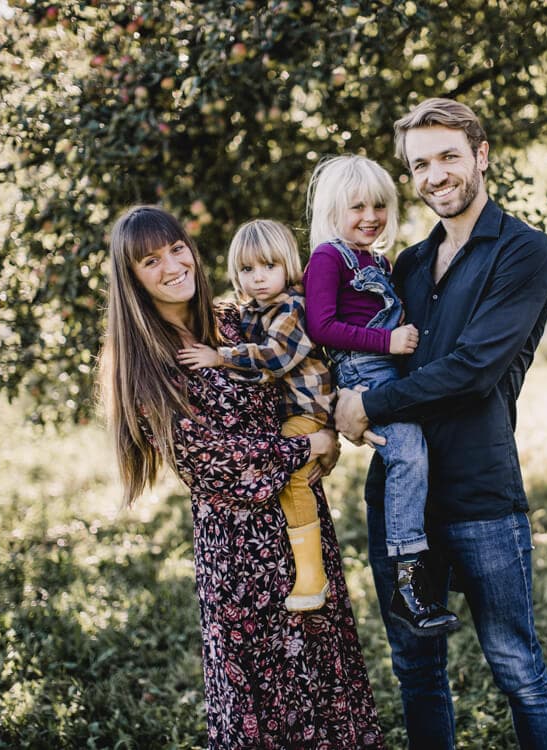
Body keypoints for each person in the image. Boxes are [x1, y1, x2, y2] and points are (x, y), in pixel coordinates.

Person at [100, 205, 384, 749]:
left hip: (301, 521)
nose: (173, 265)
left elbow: (300, 372)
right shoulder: (149, 361)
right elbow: (207, 460)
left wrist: (332, 420)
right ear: (132, 278)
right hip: (241, 552)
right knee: (266, 699)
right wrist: (308, 444)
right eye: (150, 261)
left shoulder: (236, 321)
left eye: (177, 248)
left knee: (327, 679)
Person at [334, 98, 547, 748]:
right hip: (397, 499)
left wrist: (369, 407)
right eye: (419, 164)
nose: (433, 175)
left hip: (479, 498)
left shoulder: (523, 253)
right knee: (415, 669)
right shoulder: (404, 265)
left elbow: (472, 371)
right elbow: (362, 352)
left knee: (516, 668)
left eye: (446, 157)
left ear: (480, 155)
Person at [303, 154, 461, 637]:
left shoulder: (380, 260)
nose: (370, 217)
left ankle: (426, 563)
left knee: (421, 453)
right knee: (408, 453)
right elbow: (321, 325)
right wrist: (386, 342)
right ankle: (406, 578)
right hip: (365, 371)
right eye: (357, 207)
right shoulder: (328, 258)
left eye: (378, 206)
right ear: (333, 210)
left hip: (392, 371)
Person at [176, 219, 334, 612]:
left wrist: (220, 357)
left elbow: (277, 358)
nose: (259, 278)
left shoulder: (293, 307)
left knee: (295, 480)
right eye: (248, 270)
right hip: (287, 411)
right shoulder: (250, 310)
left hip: (307, 408)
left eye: (269, 267)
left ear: (287, 266)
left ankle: (312, 572)